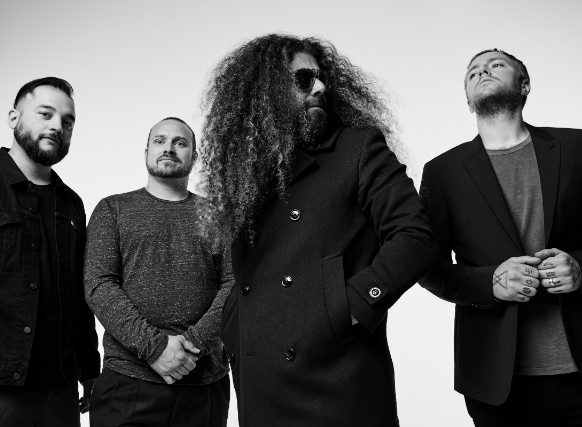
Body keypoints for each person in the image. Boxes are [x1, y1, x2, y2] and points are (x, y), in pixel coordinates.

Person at [196, 34, 438, 427]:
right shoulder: (246, 172)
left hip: (335, 374)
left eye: (322, 77)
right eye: (304, 79)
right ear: (267, 91)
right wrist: (233, 323)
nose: (321, 87)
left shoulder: (357, 148)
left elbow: (416, 236)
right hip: (259, 373)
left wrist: (349, 307)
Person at [420, 49, 582, 426]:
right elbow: (427, 266)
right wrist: (490, 283)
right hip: (497, 379)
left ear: (524, 85)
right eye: (473, 72)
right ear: (468, 100)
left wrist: (580, 267)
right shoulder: (442, 171)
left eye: (496, 65)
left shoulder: (577, 148)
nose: (482, 71)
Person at [0, 77, 100, 427]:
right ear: (13, 118)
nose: (57, 126)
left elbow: (78, 297)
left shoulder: (72, 204)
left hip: (60, 392)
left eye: (68, 121)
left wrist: (90, 369)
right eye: (45, 113)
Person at [84, 117, 232, 427]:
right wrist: (154, 348)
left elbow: (234, 285)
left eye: (180, 143)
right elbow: (99, 285)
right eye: (160, 141)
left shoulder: (219, 217)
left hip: (204, 384)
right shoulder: (113, 210)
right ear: (146, 152)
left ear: (194, 156)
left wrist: (192, 345)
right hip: (128, 383)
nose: (169, 148)